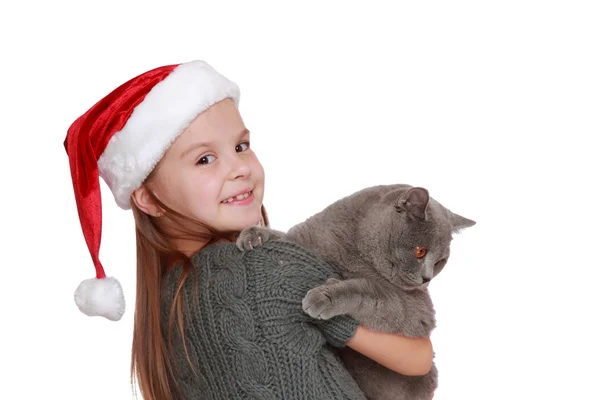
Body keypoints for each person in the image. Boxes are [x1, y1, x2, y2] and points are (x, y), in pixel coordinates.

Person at [64, 60, 433, 399]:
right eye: (204, 159)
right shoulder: (271, 267)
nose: (239, 167)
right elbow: (416, 358)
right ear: (148, 198)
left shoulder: (167, 303)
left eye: (241, 146)